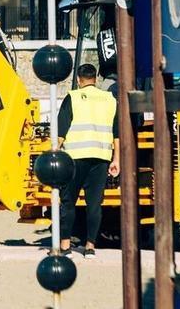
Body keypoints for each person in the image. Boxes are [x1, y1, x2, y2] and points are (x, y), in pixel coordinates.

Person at [58, 64, 120, 259]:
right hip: (101, 158)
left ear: (79, 79)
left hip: (75, 158)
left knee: (68, 202)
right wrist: (116, 159)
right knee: (94, 205)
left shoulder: (73, 97)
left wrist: (54, 153)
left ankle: (65, 246)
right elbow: (116, 134)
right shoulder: (110, 99)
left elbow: (61, 131)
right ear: (95, 79)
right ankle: (90, 247)